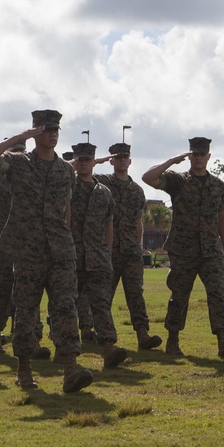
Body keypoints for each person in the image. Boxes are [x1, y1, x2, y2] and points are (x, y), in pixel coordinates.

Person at [0, 110, 93, 393]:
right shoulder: (18, 164)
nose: (52, 134)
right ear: (35, 132)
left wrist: (64, 239)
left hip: (60, 250)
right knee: (26, 311)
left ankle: (70, 369)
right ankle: (24, 368)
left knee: (66, 307)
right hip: (28, 250)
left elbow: (66, 209)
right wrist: (18, 138)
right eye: (46, 129)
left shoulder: (66, 170)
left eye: (56, 130)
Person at [142, 137, 224, 359]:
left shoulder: (218, 186)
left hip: (211, 251)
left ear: (208, 156)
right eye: (195, 153)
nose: (198, 157)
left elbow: (222, 217)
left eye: (202, 154)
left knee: (217, 293)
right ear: (190, 155)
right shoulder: (178, 181)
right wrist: (172, 160)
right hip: (183, 250)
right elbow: (148, 177)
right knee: (179, 295)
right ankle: (173, 342)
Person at [95, 143, 162, 350]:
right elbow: (79, 172)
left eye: (125, 156)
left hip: (132, 252)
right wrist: (97, 161)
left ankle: (142, 335)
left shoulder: (137, 191)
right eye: (117, 157)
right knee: (103, 296)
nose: (122, 160)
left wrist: (139, 246)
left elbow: (138, 222)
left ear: (130, 161)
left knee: (136, 295)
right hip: (109, 251)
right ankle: (100, 336)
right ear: (111, 161)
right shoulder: (103, 184)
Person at [69, 143, 130, 369]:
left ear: (94, 161)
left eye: (88, 159)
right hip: (71, 257)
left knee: (101, 305)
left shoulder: (104, 193)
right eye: (80, 159)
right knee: (66, 306)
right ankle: (63, 349)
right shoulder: (66, 187)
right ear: (74, 161)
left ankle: (108, 348)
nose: (84, 163)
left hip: (97, 259)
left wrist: (106, 252)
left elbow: (109, 226)